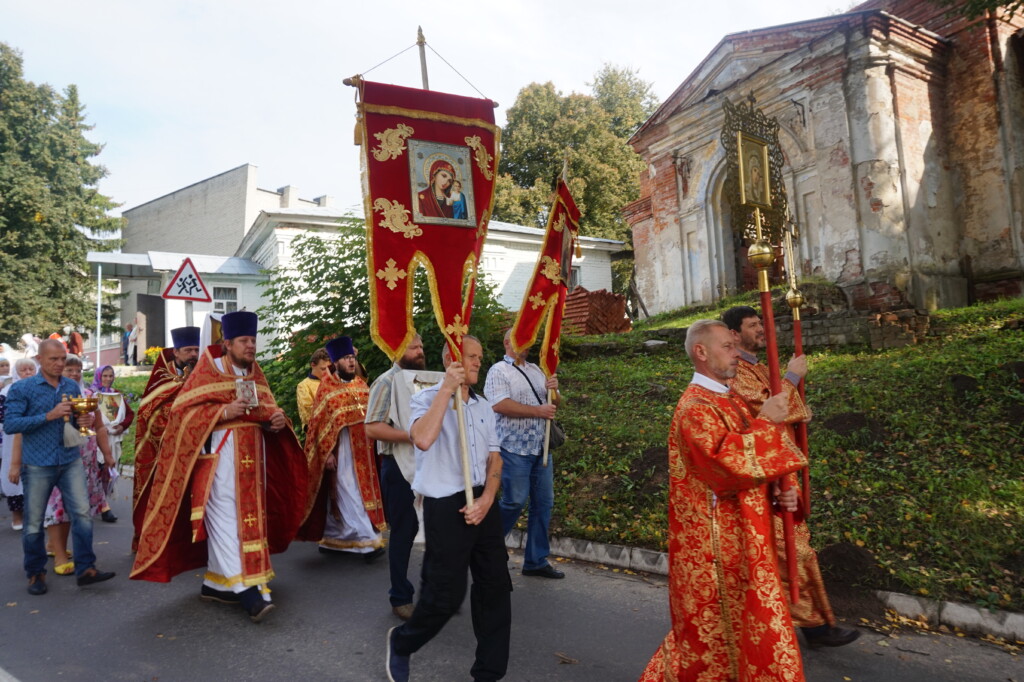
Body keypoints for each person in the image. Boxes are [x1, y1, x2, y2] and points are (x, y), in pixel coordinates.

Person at [639, 320, 807, 681]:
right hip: (713, 549)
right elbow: (724, 466)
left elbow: (759, 455)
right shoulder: (694, 409)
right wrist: (766, 423)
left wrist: (783, 486)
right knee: (709, 642)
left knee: (748, 633)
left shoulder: (729, 399)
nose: (737, 354)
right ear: (701, 352)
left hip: (745, 538)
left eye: (735, 345)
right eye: (728, 347)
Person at [130, 311, 307, 623]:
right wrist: (223, 413)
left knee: (250, 522)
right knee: (225, 522)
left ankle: (217, 582)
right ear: (227, 344)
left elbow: (268, 409)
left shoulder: (255, 373)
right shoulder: (207, 372)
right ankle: (247, 591)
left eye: (253, 340)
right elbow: (181, 416)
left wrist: (279, 420)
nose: (251, 346)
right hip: (218, 465)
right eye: (244, 341)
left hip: (253, 462)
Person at [722, 306, 861, 649]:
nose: (762, 331)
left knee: (793, 549)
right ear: (734, 334)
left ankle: (809, 624)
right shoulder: (737, 371)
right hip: (762, 472)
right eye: (753, 325)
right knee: (789, 551)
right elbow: (765, 406)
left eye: (761, 324)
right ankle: (810, 626)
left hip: (779, 466)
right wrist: (793, 377)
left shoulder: (758, 366)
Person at [385, 336, 511, 682]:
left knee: (495, 588)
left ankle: (488, 672)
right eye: (471, 357)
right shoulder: (424, 398)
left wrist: (488, 499)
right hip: (445, 504)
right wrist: (445, 391)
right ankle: (403, 643)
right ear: (451, 361)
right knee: (445, 596)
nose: (477, 363)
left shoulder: (484, 407)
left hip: (483, 502)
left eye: (480, 357)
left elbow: (495, 458)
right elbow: (422, 439)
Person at [3, 339, 116, 595]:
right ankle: (35, 573)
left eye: (62, 359)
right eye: (53, 359)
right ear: (40, 360)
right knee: (33, 523)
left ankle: (86, 568)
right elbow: (11, 425)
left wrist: (83, 419)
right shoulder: (23, 389)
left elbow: (76, 424)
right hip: (37, 464)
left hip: (70, 460)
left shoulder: (71, 386)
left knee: (83, 515)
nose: (59, 363)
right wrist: (49, 415)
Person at [365, 333, 440, 620]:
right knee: (404, 533)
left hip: (430, 464)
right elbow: (372, 428)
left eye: (421, 345)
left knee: (434, 530)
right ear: (397, 349)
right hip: (397, 467)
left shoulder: (429, 381)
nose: (420, 351)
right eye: (413, 347)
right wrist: (411, 435)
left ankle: (433, 592)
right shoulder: (386, 382)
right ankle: (400, 597)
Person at [483, 329, 563, 579]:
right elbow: (499, 404)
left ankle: (536, 560)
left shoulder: (538, 370)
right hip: (513, 448)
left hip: (541, 448)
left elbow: (554, 403)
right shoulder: (498, 370)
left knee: (543, 504)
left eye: (528, 340)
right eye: (520, 339)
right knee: (514, 501)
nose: (525, 344)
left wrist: (555, 390)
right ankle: (487, 548)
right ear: (507, 342)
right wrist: (537, 411)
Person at [298, 336, 385, 558]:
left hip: (364, 453)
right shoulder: (326, 389)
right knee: (349, 493)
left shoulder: (361, 385)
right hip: (342, 453)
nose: (351, 362)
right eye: (346, 358)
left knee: (353, 495)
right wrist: (325, 454)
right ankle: (368, 540)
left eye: (352, 357)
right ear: (335, 362)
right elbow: (318, 426)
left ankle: (334, 539)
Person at [43, 354, 118, 575]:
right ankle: (59, 555)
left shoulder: (87, 395)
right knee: (59, 507)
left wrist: (107, 454)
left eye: (78, 370)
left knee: (76, 508)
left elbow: (100, 427)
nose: (75, 374)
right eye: (69, 370)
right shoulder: (50, 396)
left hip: (85, 461)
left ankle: (55, 546)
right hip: (57, 460)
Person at [130, 326, 200, 551]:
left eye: (197, 350)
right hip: (165, 451)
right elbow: (149, 413)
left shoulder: (205, 374)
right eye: (189, 350)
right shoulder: (162, 377)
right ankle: (160, 541)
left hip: (200, 448)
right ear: (176, 352)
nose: (193, 355)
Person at [90, 365, 136, 513]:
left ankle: (103, 504)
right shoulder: (91, 395)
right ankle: (101, 505)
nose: (108, 379)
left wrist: (122, 426)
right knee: (96, 470)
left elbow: (130, 414)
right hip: (95, 439)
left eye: (110, 376)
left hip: (113, 439)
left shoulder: (117, 395)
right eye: (105, 376)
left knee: (107, 472)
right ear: (98, 376)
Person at [1, 358, 37, 531]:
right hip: (13, 439)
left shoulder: (42, 390)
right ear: (17, 373)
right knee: (15, 476)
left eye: (31, 369)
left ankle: (37, 516)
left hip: (37, 439)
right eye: (24, 370)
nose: (28, 373)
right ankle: (17, 516)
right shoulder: (8, 391)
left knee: (37, 476)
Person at [296, 347, 331, 429]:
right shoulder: (303, 386)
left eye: (329, 369)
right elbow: (307, 415)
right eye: (323, 369)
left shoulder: (333, 381)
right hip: (317, 431)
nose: (327, 373)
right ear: (313, 365)